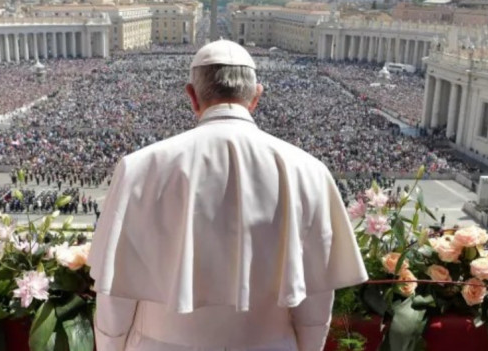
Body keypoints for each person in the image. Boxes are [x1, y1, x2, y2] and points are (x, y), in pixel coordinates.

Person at [88, 40, 367, 351]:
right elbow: (315, 301)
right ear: (255, 97)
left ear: (192, 96)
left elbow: (115, 296)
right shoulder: (310, 171)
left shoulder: (138, 168)